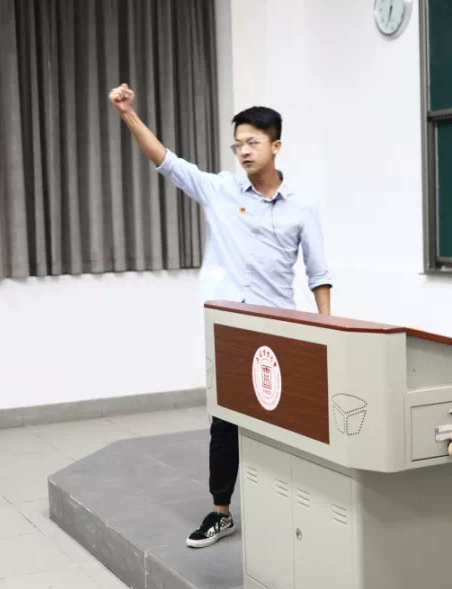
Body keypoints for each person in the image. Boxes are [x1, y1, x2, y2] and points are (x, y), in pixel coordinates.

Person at [108, 84, 333, 549]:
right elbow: (166, 161)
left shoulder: (302, 207)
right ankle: (221, 512)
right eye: (238, 144)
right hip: (230, 328)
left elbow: (319, 274)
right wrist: (128, 114)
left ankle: (290, 511)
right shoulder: (220, 190)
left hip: (280, 328)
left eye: (253, 142)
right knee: (225, 421)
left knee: (284, 422)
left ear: (275, 145)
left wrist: (327, 327)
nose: (244, 151)